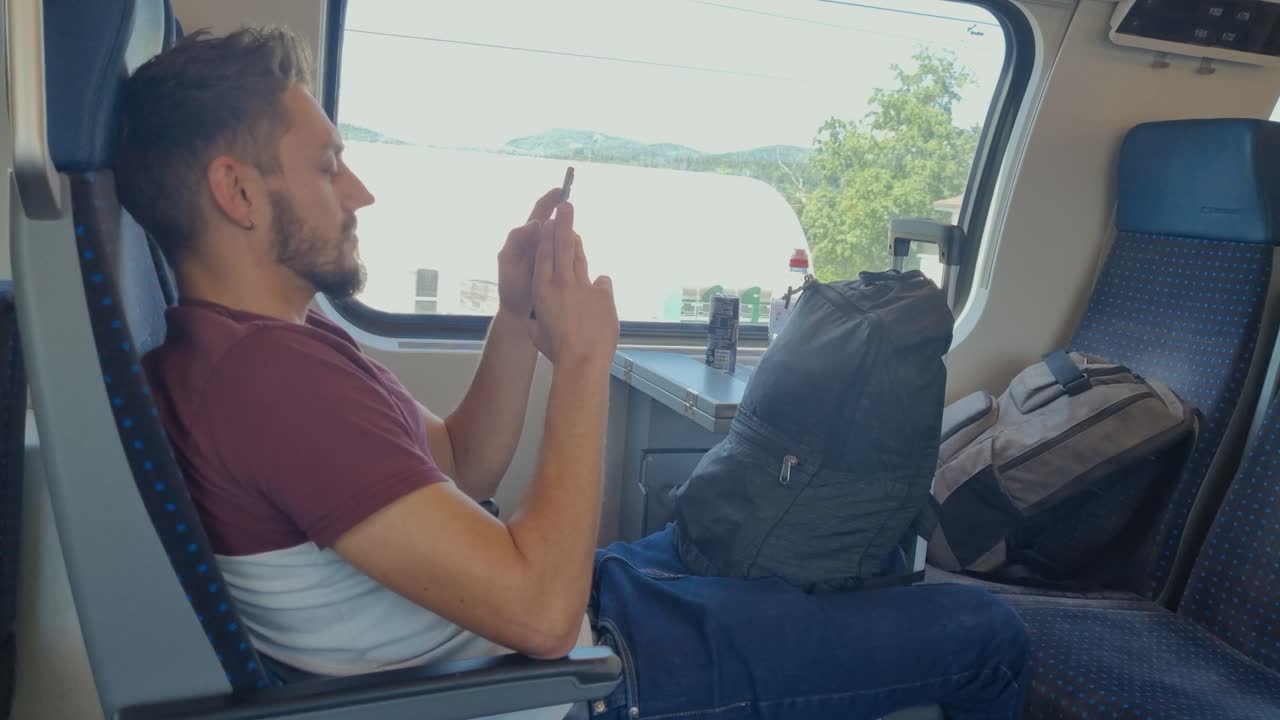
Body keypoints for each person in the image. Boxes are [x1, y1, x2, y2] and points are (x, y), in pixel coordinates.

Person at [118, 26, 1029, 720]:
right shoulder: (269, 387)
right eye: (326, 167)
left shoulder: (270, 341)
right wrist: (586, 361)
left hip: (562, 616)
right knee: (989, 634)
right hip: (573, 679)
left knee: (764, 550)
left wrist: (516, 317)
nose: (359, 193)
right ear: (236, 192)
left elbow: (460, 466)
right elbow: (544, 617)